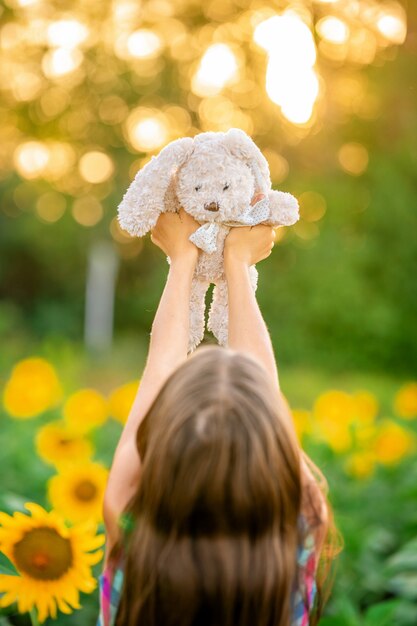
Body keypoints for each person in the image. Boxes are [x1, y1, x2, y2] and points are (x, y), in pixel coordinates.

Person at [98, 206, 340, 626]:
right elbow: (267, 399)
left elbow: (159, 368)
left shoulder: (130, 532)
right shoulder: (305, 529)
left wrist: (183, 258)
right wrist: (237, 263)